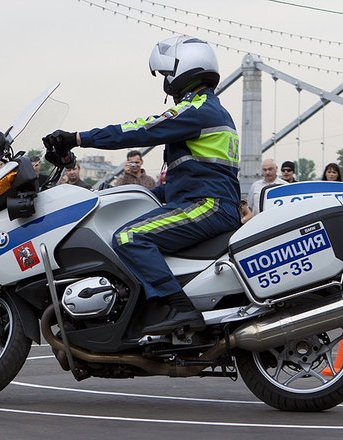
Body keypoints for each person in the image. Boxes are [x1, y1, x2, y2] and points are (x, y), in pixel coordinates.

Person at [42, 35, 240, 335]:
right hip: (204, 200)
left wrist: (78, 138)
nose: (165, 81)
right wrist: (114, 194)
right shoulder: (209, 110)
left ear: (181, 69)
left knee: (129, 237)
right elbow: (189, 180)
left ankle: (177, 308)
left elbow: (140, 130)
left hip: (208, 205)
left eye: (166, 74)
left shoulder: (197, 109)